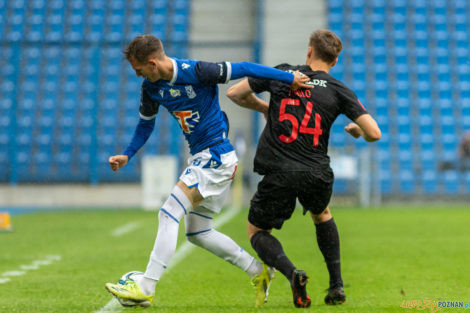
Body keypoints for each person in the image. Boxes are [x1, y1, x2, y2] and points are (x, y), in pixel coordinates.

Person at [104, 34, 311, 308]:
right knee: (198, 231)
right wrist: (127, 155)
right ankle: (258, 272)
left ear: (153, 64)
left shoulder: (198, 72)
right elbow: (145, 125)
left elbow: (247, 67)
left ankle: (146, 285)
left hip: (215, 156)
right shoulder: (150, 88)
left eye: (138, 69)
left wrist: (289, 78)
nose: (137, 75)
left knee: (168, 213)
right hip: (204, 159)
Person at [226, 29, 381, 308]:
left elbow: (234, 93)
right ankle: (337, 286)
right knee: (322, 215)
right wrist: (357, 131)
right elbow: (375, 133)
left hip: (279, 170)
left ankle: (292, 273)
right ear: (334, 61)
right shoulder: (338, 88)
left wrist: (265, 108)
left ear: (309, 51)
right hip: (316, 172)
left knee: (257, 231)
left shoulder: (283, 74)